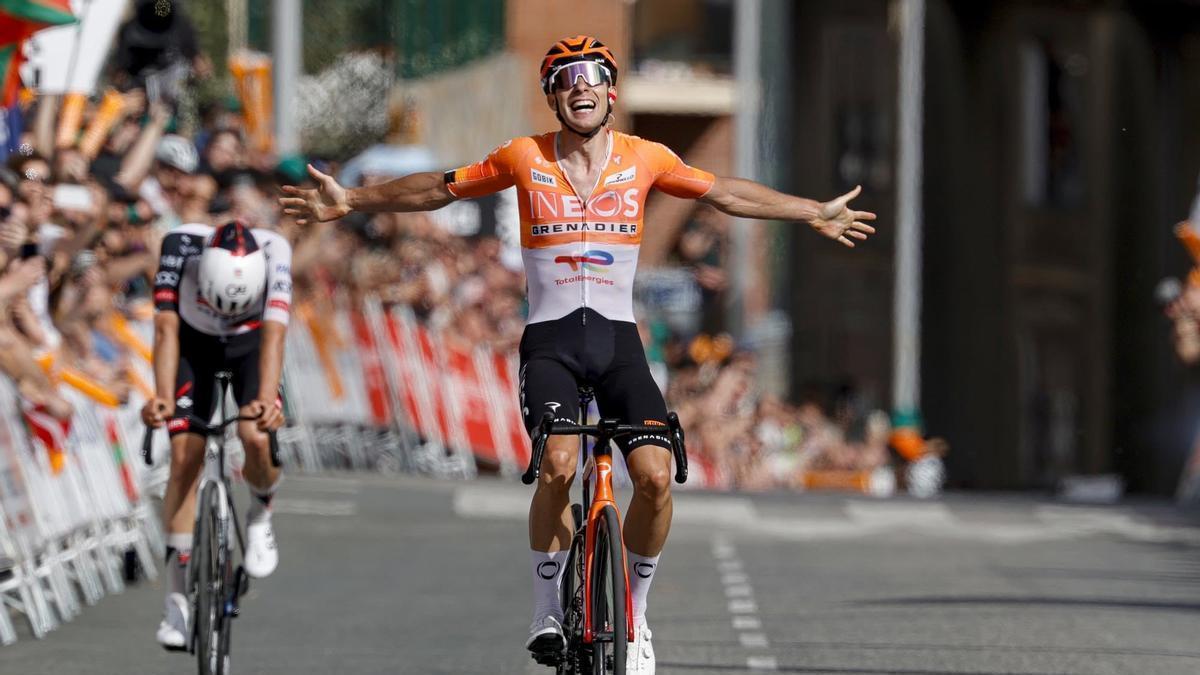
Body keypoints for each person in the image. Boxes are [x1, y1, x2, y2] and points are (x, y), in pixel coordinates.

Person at [279, 34, 876, 673]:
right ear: (554, 96)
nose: (581, 86)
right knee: (559, 465)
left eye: (592, 75)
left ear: (611, 91)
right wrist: (353, 200)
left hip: (619, 344)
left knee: (652, 476)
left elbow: (725, 192)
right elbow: (439, 189)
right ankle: (544, 610)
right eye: (566, 78)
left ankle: (637, 615)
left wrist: (811, 210)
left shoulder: (645, 158)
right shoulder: (523, 157)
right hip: (552, 344)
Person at [140, 219, 292, 650]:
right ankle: (175, 601)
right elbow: (166, 330)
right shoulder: (178, 248)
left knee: (256, 435)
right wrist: (163, 398)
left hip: (251, 345)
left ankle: (261, 510)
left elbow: (276, 336)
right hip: (194, 344)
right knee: (185, 455)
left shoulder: (275, 251)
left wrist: (265, 401)